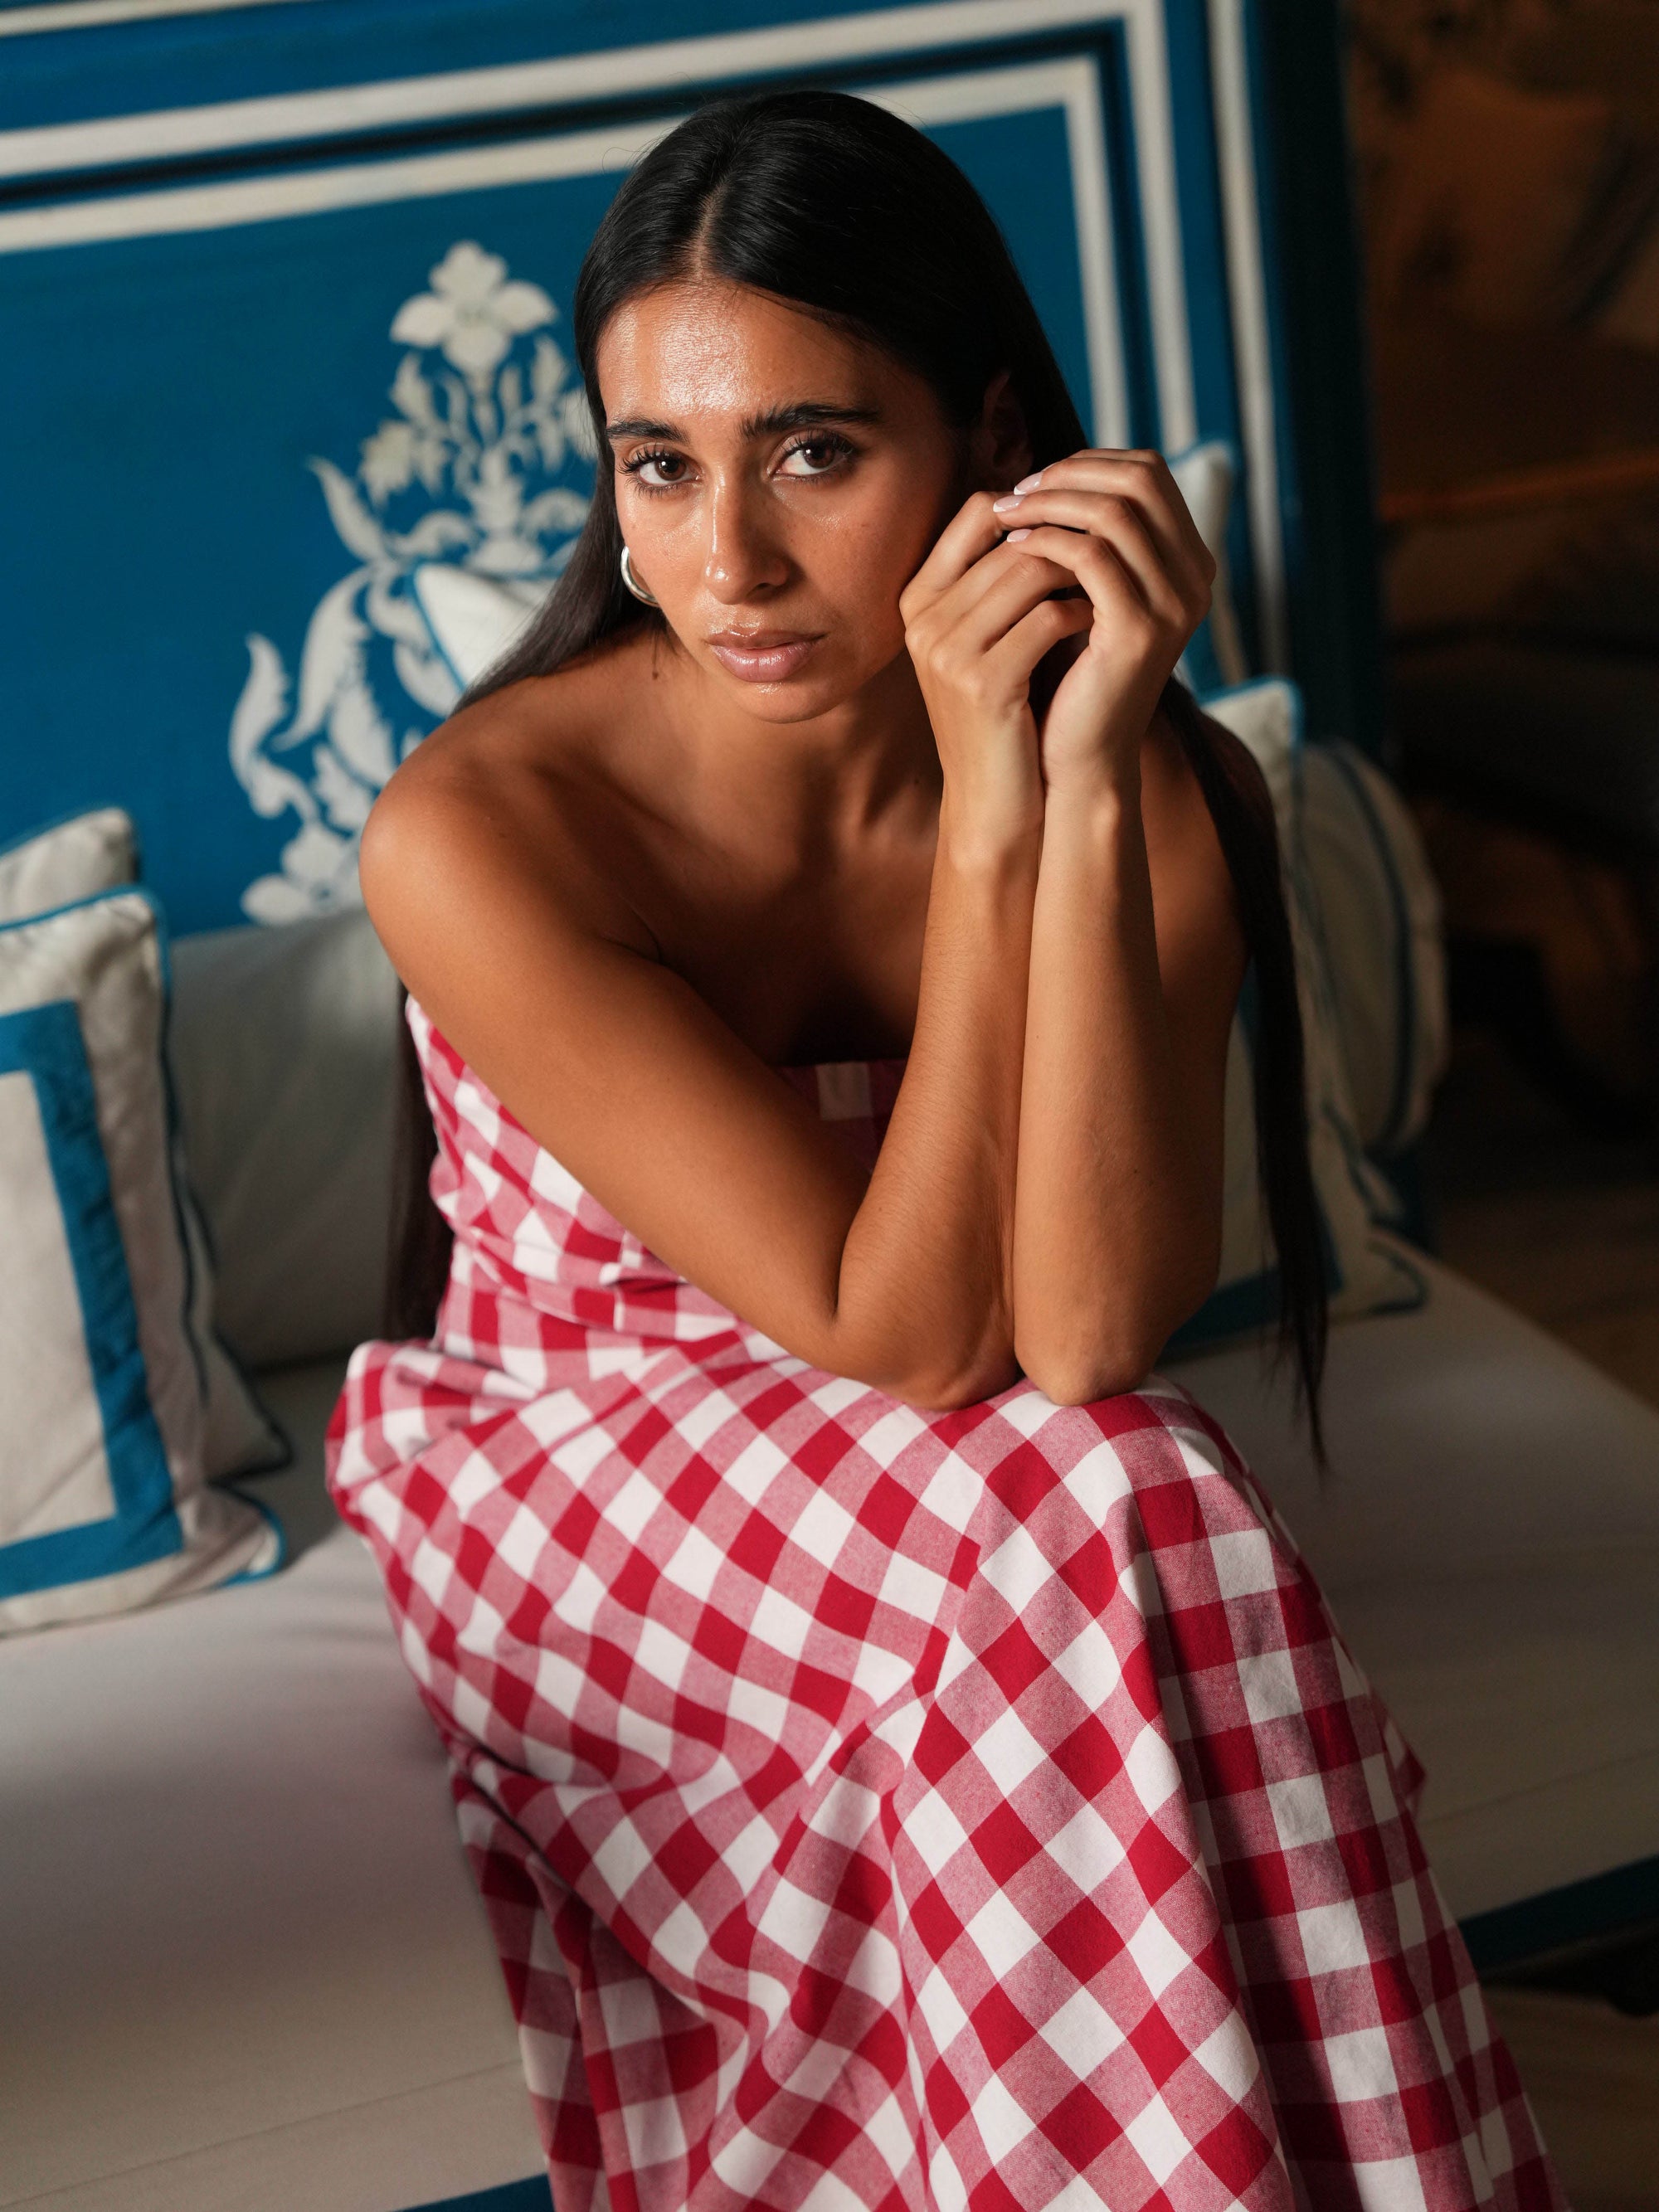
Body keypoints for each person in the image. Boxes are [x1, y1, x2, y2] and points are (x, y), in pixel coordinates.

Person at [328, 90, 1560, 2212]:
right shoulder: (482, 827)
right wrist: (994, 817)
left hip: (958, 1464)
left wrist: (1066, 771)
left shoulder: (1143, 784)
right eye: (660, 464)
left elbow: (1076, 1330)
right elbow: (905, 1338)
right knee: (1105, 1506)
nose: (729, 560)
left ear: (989, 439)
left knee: (1114, 1480)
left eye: (816, 449)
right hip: (577, 1455)